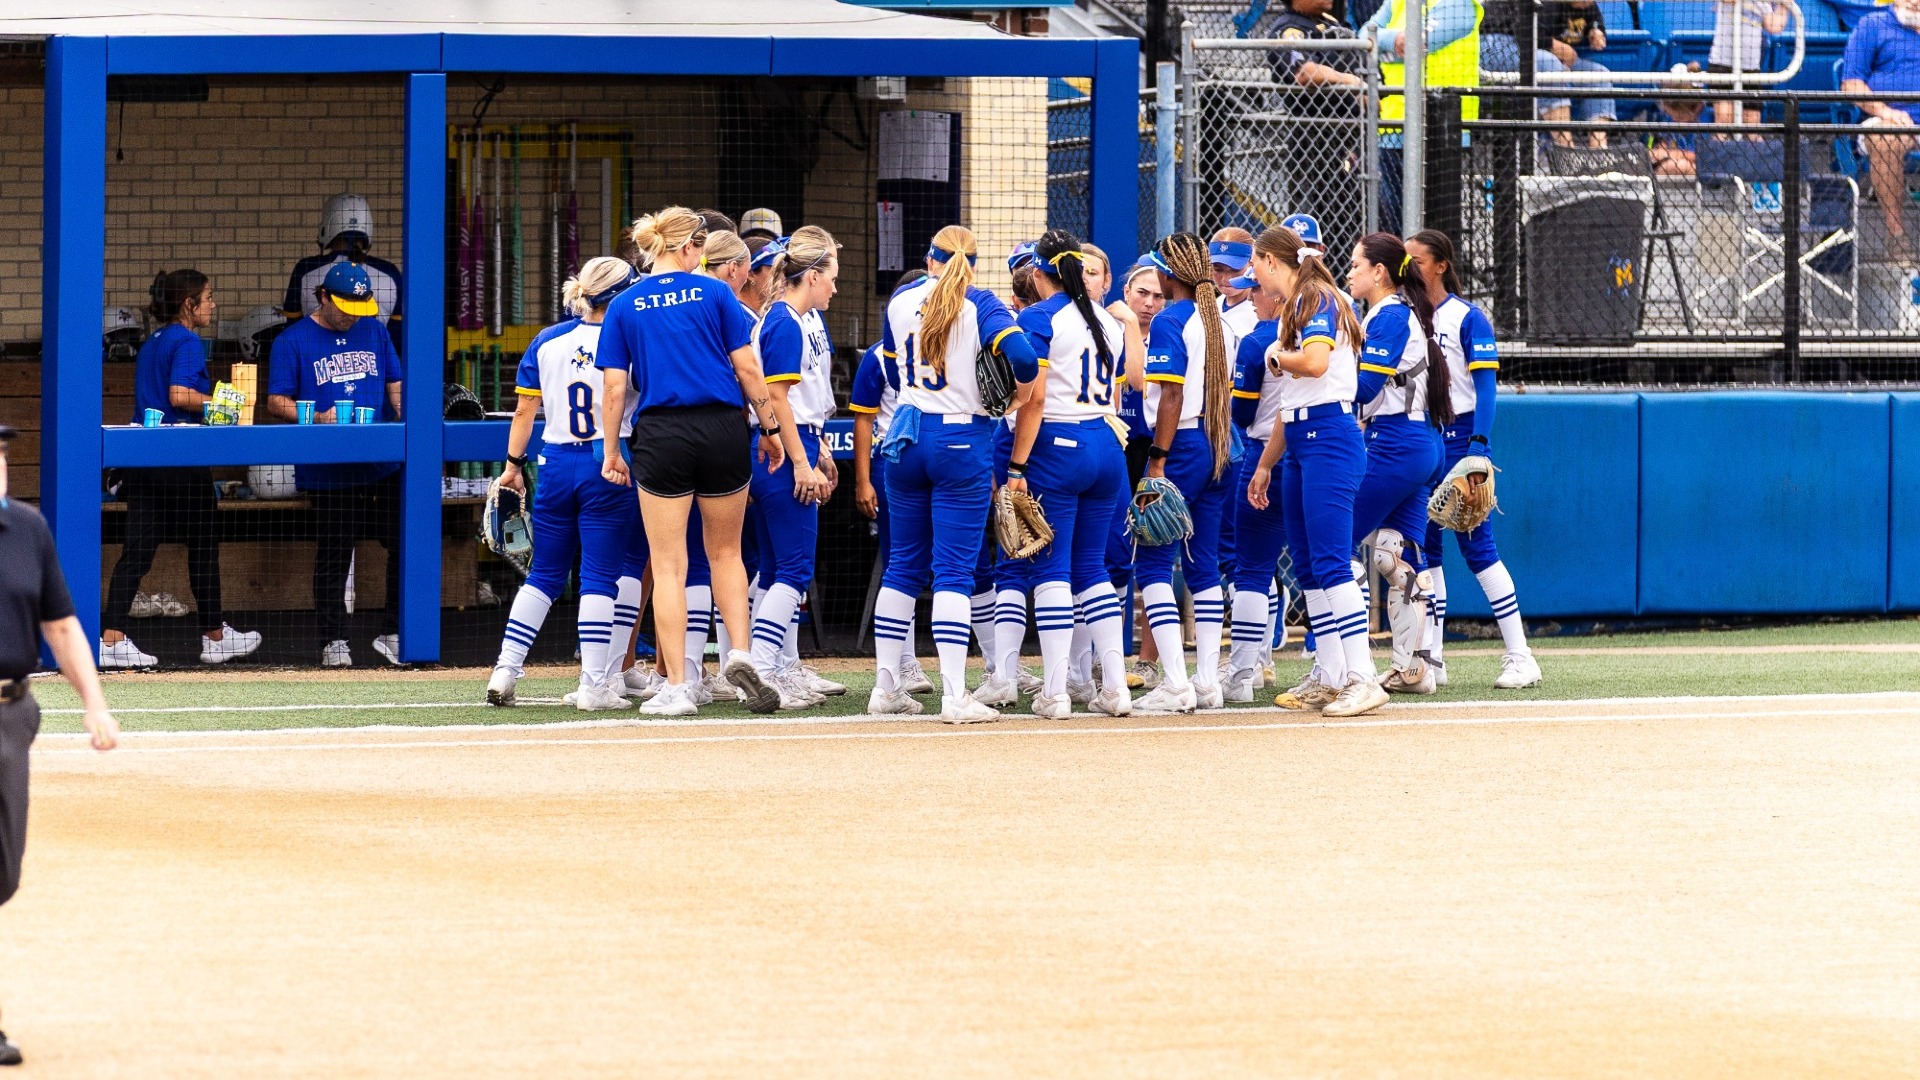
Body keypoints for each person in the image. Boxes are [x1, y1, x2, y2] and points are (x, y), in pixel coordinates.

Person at [596, 206, 787, 716]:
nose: (703, 254)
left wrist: (612, 449)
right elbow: (747, 369)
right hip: (723, 428)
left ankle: (678, 685)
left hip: (663, 434)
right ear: (686, 248)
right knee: (726, 552)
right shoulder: (717, 292)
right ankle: (742, 655)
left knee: (669, 564)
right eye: (700, 246)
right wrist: (769, 430)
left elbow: (615, 388)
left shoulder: (624, 305)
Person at [868, 224, 1040, 723]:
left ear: (930, 257)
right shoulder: (981, 302)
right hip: (961, 439)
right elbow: (1025, 359)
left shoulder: (901, 301)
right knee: (954, 572)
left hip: (905, 435)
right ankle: (953, 695)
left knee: (903, 564)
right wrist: (1019, 395)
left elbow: (895, 364)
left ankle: (886, 687)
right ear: (973, 261)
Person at [0, 420, 120, 1069]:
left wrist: (94, 704)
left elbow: (62, 624)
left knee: (4, 872)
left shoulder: (27, 530)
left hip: (11, 715)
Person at [484, 257, 641, 712]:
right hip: (607, 462)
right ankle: (594, 685)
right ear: (618, 296)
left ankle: (505, 670)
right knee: (599, 576)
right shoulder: (627, 338)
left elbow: (522, 413)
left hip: (553, 463)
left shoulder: (547, 339)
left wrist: (513, 466)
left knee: (544, 575)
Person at [1244, 223, 1388, 718]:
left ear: (1269, 260)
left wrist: (1276, 357)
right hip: (1306, 437)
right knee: (1308, 564)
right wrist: (1265, 464)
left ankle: (1362, 677)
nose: (1254, 277)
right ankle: (1330, 675)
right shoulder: (1300, 301)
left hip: (1330, 436)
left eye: (1255, 264)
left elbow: (1315, 364)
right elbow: (1291, 403)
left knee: (1329, 561)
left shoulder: (1314, 296)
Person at [1004, 229, 1137, 718]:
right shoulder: (1107, 317)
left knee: (1053, 569)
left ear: (1039, 274)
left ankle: (1056, 691)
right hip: (1105, 442)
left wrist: (1017, 464)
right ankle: (1115, 687)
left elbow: (1034, 398)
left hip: (1058, 445)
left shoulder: (1040, 316)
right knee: (1093, 569)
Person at [100, 270, 263, 669]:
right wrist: (225, 403)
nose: (212, 304)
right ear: (188, 305)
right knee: (204, 548)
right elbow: (179, 395)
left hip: (145, 462)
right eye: (207, 298)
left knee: (137, 551)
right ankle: (214, 636)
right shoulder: (188, 340)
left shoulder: (153, 342)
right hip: (181, 463)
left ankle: (112, 637)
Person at [1406, 228, 1542, 689]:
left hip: (1462, 434)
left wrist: (1479, 447)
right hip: (1423, 435)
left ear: (1441, 264)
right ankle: (1434, 658)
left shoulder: (1466, 316)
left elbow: (1485, 388)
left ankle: (1521, 656)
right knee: (1424, 547)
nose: (1410, 268)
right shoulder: (1402, 315)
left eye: (1418, 261)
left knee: (1476, 546)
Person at [265, 262, 405, 668]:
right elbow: (275, 401)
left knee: (403, 541)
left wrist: (403, 419)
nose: (350, 316)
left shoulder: (374, 328)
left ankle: (395, 630)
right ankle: (333, 640)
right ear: (323, 296)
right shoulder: (293, 340)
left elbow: (395, 382)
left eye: (358, 307)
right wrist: (317, 416)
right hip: (329, 469)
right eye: (344, 306)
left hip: (381, 463)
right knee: (334, 554)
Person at [1132, 233, 1241, 715]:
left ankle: (1175, 683)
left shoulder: (1171, 319)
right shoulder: (1220, 320)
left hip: (1182, 445)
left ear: (1166, 274)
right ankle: (1205, 683)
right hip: (1221, 445)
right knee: (1204, 566)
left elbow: (1170, 398)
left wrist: (1158, 459)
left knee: (1153, 563)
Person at [1346, 232, 1452, 694]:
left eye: (1356, 265)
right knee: (1396, 555)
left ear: (1379, 273)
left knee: (1331, 544)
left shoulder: (1389, 314)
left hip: (1396, 442)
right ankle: (1415, 668)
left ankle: (1344, 668)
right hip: (1416, 441)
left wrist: (1309, 375)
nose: (1350, 273)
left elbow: (1365, 389)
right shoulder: (1396, 312)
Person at [746, 225, 844, 708]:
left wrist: (815, 447)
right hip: (784, 450)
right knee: (795, 568)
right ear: (810, 276)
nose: (835, 286)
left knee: (774, 568)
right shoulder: (786, 320)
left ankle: (778, 668)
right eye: (830, 276)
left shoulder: (787, 316)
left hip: (784, 445)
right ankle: (763, 668)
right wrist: (803, 462)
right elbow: (777, 398)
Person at [849, 272, 936, 698]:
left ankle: (998, 667)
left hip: (937, 458)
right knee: (900, 559)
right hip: (894, 462)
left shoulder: (947, 348)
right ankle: (904, 662)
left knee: (955, 564)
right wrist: (863, 480)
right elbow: (863, 419)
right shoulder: (878, 357)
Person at [1363, 0, 1482, 231]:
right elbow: (1364, 35)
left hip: (1441, 130)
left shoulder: (1461, 3)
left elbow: (1413, 44)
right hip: (1392, 127)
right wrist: (1393, 43)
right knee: (1393, 228)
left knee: (1432, 231)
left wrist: (1383, 47)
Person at [1224, 278, 1285, 702]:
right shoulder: (1331, 327)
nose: (1251, 297)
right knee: (1327, 565)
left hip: (1263, 450)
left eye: (1257, 290)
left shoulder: (1256, 339)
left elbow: (1241, 409)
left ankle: (1243, 674)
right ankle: (1338, 669)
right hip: (1314, 452)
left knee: (1252, 568)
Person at [1268, 0, 1370, 257]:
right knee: (1319, 223)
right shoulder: (1289, 29)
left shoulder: (1337, 26)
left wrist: (1367, 89)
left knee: (1354, 219)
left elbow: (1370, 78)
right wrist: (1350, 81)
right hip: (1313, 142)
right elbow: (1304, 72)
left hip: (1350, 137)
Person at [1110, 259, 1166, 689]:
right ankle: (1101, 657)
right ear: (1125, 292)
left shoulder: (1170, 335)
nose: (1149, 303)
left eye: (1158, 295)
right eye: (1141, 293)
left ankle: (1146, 661)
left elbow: (1144, 383)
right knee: (1110, 555)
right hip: (1112, 450)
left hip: (1153, 451)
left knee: (1153, 553)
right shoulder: (1104, 329)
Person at [1479, 0, 1615, 147]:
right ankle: (1566, 153)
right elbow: (1525, 29)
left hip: (1545, 53)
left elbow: (1595, 20)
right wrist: (1555, 46)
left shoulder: (1587, 5)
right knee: (1549, 64)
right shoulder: (1549, 4)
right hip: (1498, 41)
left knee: (1598, 75)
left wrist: (1596, 30)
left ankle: (1599, 152)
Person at [1841, 0, 1920, 250]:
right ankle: (1896, 236)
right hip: (1887, 119)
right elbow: (1851, 85)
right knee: (1884, 137)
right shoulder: (1871, 25)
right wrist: (1886, 112)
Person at [282, 194, 403, 350]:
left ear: (328, 224)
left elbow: (293, 326)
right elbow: (397, 337)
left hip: (319, 364)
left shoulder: (306, 269)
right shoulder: (389, 273)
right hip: (372, 365)